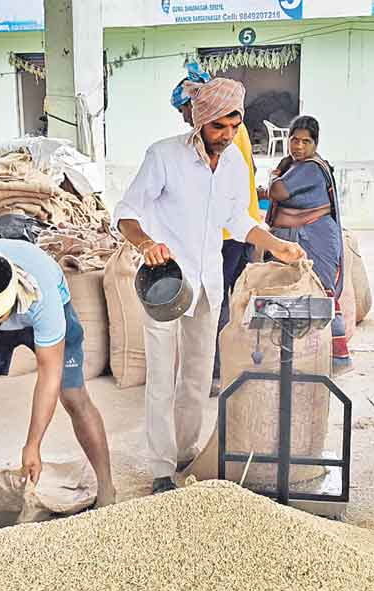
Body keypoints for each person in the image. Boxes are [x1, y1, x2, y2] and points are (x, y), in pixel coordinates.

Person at [114, 77, 306, 495]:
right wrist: (146, 243)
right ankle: (162, 466)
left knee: (198, 376)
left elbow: (238, 221)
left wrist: (277, 246)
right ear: (200, 120)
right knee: (162, 377)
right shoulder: (164, 156)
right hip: (164, 283)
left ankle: (185, 450)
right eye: (219, 127)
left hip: (207, 284)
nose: (227, 135)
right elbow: (126, 212)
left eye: (234, 126)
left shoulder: (235, 162)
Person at [0, 240, 115, 507]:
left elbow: (50, 372)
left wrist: (33, 444)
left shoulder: (43, 298)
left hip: (37, 307)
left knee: (73, 396)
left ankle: (107, 487)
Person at [169, 62, 263, 395]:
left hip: (225, 234)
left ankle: (212, 372)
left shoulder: (219, 135)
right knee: (229, 300)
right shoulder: (236, 128)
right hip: (239, 229)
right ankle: (225, 366)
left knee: (213, 302)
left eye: (185, 109)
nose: (184, 118)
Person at [267, 115, 350, 374]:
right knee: (298, 295)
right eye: (294, 140)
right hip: (304, 236)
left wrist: (273, 176)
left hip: (315, 238)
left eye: (305, 141)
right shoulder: (296, 165)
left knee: (322, 294)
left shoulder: (310, 168)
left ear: (315, 144)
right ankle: (303, 357)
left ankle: (339, 358)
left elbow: (278, 192)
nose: (299, 146)